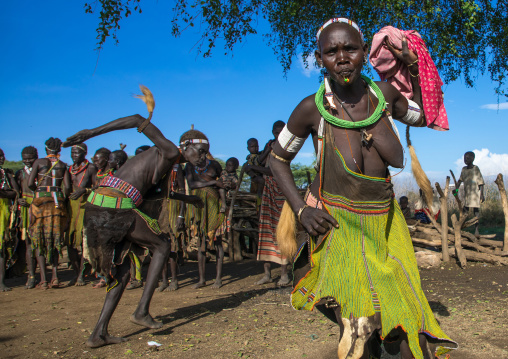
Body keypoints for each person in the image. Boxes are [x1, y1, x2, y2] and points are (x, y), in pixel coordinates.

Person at [269, 18, 456, 359]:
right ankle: (362, 335)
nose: (342, 57)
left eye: (350, 48)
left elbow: (422, 115)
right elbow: (276, 159)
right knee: (355, 324)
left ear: (363, 54)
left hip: (385, 222)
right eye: (331, 51)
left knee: (405, 324)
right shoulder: (312, 110)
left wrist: (413, 71)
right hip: (340, 224)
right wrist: (302, 209)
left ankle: (383, 335)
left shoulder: (383, 96)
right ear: (320, 58)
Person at [63, 94, 203, 348]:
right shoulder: (170, 149)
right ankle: (141, 312)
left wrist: (190, 200)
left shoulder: (166, 162)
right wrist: (92, 132)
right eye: (200, 150)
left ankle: (98, 334)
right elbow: (138, 119)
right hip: (114, 206)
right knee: (162, 246)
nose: (203, 156)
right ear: (186, 145)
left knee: (123, 272)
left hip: (101, 207)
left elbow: (161, 194)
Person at [247, 121, 290, 286]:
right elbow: (259, 162)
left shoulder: (287, 147)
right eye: (277, 132)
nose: (279, 135)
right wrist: (265, 152)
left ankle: (285, 275)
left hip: (281, 190)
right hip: (267, 192)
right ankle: (267, 274)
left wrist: (252, 168)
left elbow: (274, 170)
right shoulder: (270, 145)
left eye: (282, 132)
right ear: (273, 132)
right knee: (265, 231)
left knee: (282, 232)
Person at [183, 129, 226, 289]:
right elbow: (192, 184)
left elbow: (222, 186)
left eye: (204, 153)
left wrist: (224, 204)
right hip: (198, 207)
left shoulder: (214, 165)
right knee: (200, 241)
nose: (201, 156)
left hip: (214, 206)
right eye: (200, 153)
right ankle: (201, 279)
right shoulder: (189, 166)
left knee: (217, 241)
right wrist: (212, 183)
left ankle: (218, 279)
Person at [28, 138, 71, 289]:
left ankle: (43, 280)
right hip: (57, 204)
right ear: (59, 149)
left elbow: (29, 183)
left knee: (39, 238)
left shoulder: (39, 162)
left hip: (40, 202)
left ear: (46, 149)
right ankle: (55, 277)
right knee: (55, 239)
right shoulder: (63, 165)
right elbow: (67, 187)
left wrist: (39, 192)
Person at [66, 143, 97, 286]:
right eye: (72, 153)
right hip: (71, 207)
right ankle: (76, 271)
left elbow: (97, 186)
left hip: (85, 206)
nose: (74, 156)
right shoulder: (69, 169)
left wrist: (84, 190)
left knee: (83, 241)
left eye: (77, 153)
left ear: (84, 153)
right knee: (70, 241)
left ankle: (81, 274)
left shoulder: (90, 168)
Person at [14, 146, 39, 289]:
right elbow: (16, 192)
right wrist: (19, 200)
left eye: (30, 158)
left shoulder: (41, 173)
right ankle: (31, 276)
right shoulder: (20, 174)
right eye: (25, 158)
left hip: (40, 209)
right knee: (29, 244)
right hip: (25, 212)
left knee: (42, 243)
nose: (27, 161)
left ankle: (45, 276)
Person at [0, 148, 19, 292]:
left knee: (2, 247)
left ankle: (1, 282)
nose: (1, 158)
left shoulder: (7, 174)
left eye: (2, 156)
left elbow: (15, 192)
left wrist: (4, 193)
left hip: (4, 213)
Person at [456, 151, 484, 236]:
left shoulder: (476, 169)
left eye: (467, 158)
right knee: (464, 211)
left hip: (475, 194)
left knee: (476, 212)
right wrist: (456, 191)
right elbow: (460, 181)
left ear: (472, 159)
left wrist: (482, 194)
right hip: (467, 195)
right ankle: (461, 228)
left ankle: (476, 230)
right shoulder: (463, 169)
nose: (466, 160)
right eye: (465, 158)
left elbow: (481, 183)